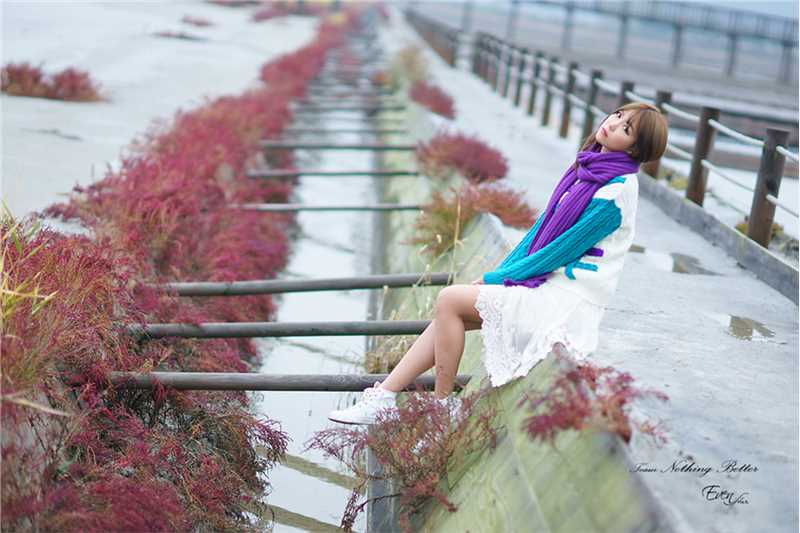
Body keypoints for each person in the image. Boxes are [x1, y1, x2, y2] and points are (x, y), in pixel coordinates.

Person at [328, 101, 669, 425]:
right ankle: (384, 396)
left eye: (625, 128)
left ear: (635, 150)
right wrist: (500, 275)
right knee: (449, 312)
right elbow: (539, 233)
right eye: (617, 115)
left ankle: (440, 405)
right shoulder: (588, 170)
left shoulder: (618, 190)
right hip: (550, 287)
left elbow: (559, 251)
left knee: (449, 301)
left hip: (568, 301)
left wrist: (499, 278)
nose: (611, 124)